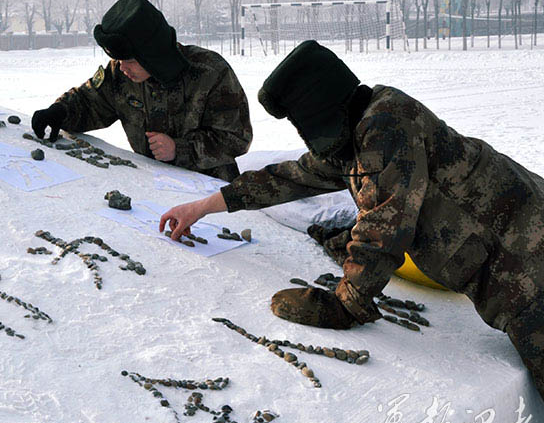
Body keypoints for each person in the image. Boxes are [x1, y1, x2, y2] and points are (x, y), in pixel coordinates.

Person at [159, 40, 544, 400]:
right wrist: (204, 206)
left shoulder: (385, 126)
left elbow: (384, 226)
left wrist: (346, 305)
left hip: (525, 263)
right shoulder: (358, 129)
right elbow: (290, 177)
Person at [31, 0, 252, 181]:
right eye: (118, 60)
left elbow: (236, 138)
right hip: (153, 184)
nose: (122, 68)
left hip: (211, 192)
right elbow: (90, 102)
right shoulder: (120, 73)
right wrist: (60, 111)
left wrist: (179, 149)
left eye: (130, 61)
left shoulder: (210, 72)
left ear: (152, 54)